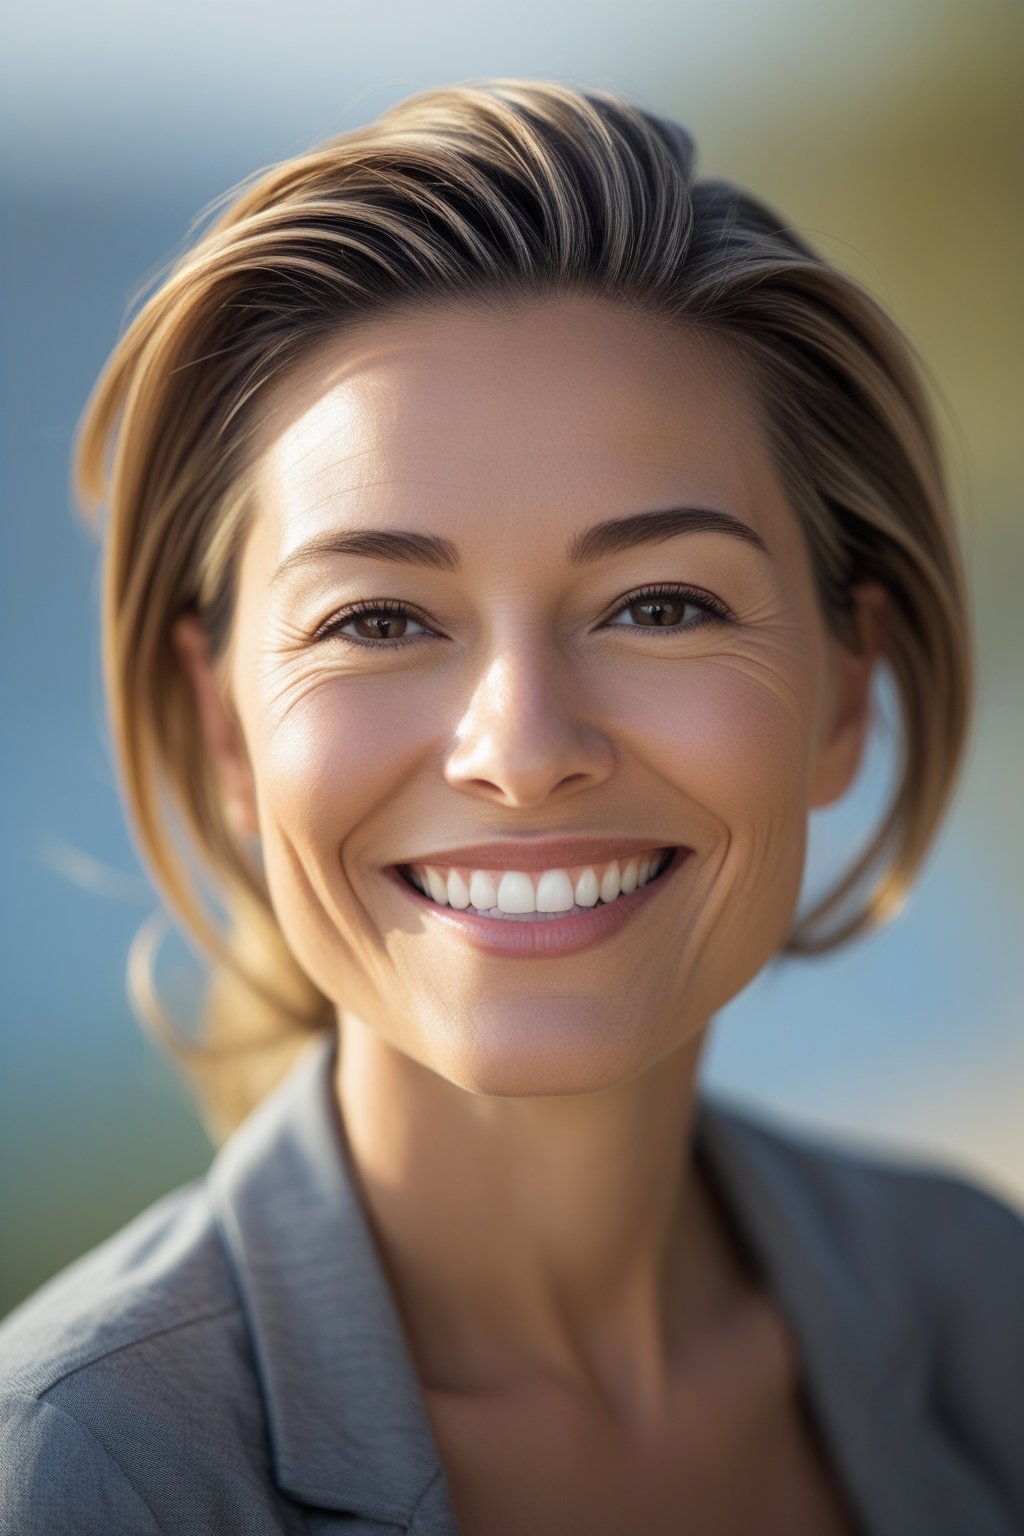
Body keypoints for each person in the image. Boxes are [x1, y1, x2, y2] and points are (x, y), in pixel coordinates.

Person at [0, 78, 1021, 1536]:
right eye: (377, 621)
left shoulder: (986, 1305)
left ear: (846, 693)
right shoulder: (84, 1472)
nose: (524, 747)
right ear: (227, 727)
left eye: (659, 604)